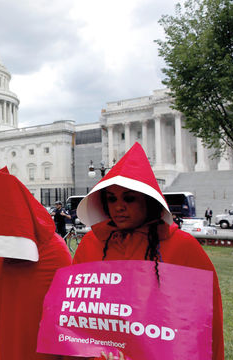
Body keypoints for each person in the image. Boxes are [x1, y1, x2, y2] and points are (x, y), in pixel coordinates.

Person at [72, 142, 224, 360]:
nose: (118, 206)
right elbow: (74, 316)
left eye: (129, 197)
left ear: (148, 200)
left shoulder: (183, 247)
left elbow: (204, 326)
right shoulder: (90, 244)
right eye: (111, 198)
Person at [0, 167, 72, 360]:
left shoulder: (54, 250)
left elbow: (66, 309)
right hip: (7, 335)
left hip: (38, 342)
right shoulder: (1, 255)